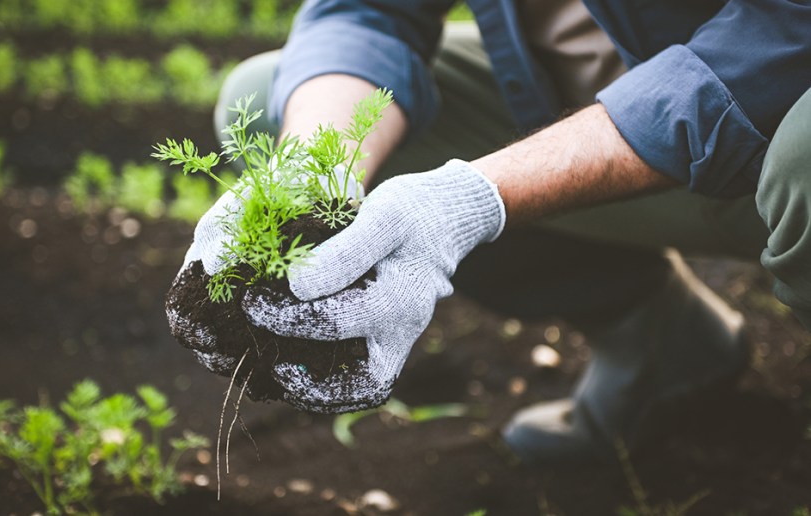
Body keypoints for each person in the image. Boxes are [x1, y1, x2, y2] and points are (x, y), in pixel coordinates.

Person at [176, 0, 811, 465]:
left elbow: (786, 34)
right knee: (268, 97)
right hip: (610, 131)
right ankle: (661, 343)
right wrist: (310, 169)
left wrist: (471, 198)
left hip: (776, 133)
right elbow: (369, 13)